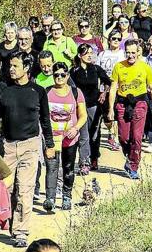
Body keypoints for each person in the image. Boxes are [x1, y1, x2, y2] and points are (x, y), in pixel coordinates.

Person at [0, 51, 54, 248]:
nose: (11, 69)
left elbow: (45, 120)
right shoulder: (4, 89)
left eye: (15, 66)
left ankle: (20, 231)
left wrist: (49, 145)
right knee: (5, 189)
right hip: (7, 146)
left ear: (26, 68)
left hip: (30, 146)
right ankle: (2, 223)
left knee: (24, 190)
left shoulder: (38, 92)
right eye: (10, 66)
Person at [107, 39, 152, 180]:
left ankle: (133, 165)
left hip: (140, 104)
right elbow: (113, 89)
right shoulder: (118, 67)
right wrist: (110, 109)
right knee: (124, 138)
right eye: (128, 52)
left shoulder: (145, 67)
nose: (130, 55)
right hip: (123, 104)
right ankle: (129, 157)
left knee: (137, 138)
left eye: (133, 52)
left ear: (138, 52)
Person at [44, 62, 86, 211]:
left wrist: (75, 128)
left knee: (68, 167)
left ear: (68, 76)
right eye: (56, 75)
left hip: (70, 138)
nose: (59, 78)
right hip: (52, 138)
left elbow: (83, 116)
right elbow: (42, 115)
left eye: (63, 75)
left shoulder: (76, 92)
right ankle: (50, 198)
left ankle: (67, 197)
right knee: (51, 167)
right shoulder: (47, 92)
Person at [70, 43, 111, 174]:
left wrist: (104, 93)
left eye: (91, 53)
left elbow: (108, 81)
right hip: (80, 107)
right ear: (79, 55)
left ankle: (94, 157)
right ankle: (84, 163)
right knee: (84, 135)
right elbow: (70, 88)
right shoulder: (74, 71)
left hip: (94, 105)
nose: (89, 55)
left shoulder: (96, 69)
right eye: (86, 53)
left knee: (94, 134)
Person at [96, 30, 126, 151]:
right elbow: (97, 71)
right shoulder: (102, 54)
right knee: (106, 117)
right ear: (109, 40)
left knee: (117, 113)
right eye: (114, 38)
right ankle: (110, 131)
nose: (116, 41)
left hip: (119, 89)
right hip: (103, 89)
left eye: (119, 39)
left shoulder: (123, 54)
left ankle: (114, 138)